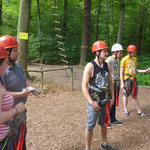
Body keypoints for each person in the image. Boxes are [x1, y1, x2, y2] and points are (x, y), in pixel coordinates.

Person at [82, 40, 118, 150]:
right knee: (90, 125)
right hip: (94, 100)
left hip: (105, 99)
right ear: (97, 52)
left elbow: (110, 82)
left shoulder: (107, 65)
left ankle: (105, 144)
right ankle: (87, 148)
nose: (107, 53)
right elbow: (83, 86)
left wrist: (113, 97)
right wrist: (91, 102)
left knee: (104, 123)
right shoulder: (90, 66)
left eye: (107, 51)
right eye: (105, 51)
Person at [0, 35, 30, 149]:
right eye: (15, 50)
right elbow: (4, 93)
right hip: (9, 116)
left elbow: (24, 79)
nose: (18, 53)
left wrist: (30, 87)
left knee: (22, 140)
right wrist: (21, 94)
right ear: (7, 52)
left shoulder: (17, 66)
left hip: (20, 111)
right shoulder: (3, 71)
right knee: (12, 142)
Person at [120, 44, 150, 118]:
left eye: (134, 53)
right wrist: (122, 83)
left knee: (134, 95)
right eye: (133, 52)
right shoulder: (124, 59)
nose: (134, 54)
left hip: (133, 79)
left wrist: (144, 71)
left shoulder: (135, 59)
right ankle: (125, 109)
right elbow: (121, 72)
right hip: (126, 79)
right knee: (125, 94)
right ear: (129, 52)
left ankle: (139, 111)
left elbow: (135, 70)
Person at [105, 43, 123, 128]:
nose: (121, 54)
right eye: (120, 52)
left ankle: (113, 118)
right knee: (109, 102)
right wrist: (110, 80)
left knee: (114, 100)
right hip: (110, 84)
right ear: (115, 52)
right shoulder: (108, 60)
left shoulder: (117, 60)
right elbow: (104, 71)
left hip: (116, 83)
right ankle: (106, 120)